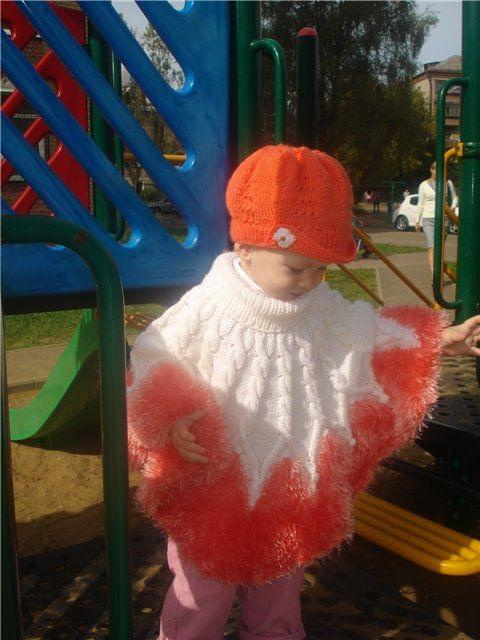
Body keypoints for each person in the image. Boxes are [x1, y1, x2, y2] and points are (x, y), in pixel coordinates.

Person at [127, 145, 480, 640]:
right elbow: (155, 357)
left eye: (320, 269)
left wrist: (438, 339)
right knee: (202, 596)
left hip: (292, 481)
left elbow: (370, 332)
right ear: (246, 247)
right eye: (295, 268)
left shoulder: (321, 306)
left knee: (280, 590)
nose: (309, 281)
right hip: (213, 484)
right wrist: (173, 417)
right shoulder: (204, 309)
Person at [415, 161, 458, 278]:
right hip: (428, 219)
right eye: (434, 169)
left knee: (439, 249)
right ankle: (434, 275)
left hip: (443, 219)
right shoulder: (423, 185)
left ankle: (440, 271)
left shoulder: (447, 183)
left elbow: (455, 198)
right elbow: (420, 204)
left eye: (440, 169)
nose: (437, 171)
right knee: (432, 247)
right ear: (431, 169)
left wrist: (451, 208)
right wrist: (417, 221)